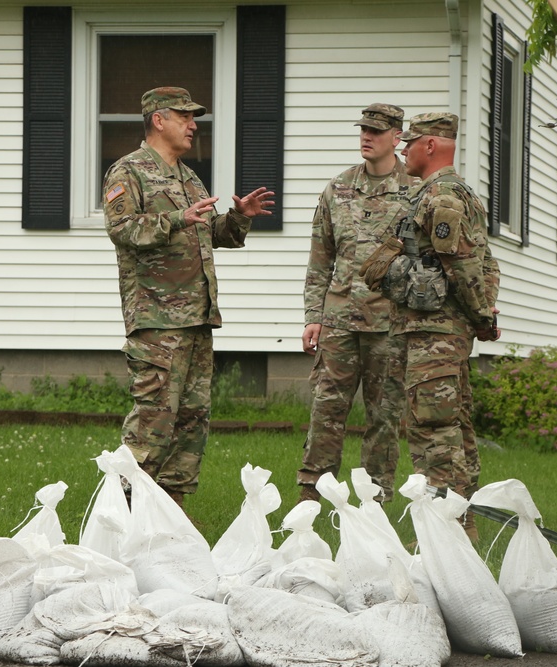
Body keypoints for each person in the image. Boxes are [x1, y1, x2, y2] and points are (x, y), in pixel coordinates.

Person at [103, 86, 275, 508]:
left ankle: (172, 519)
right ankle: (121, 517)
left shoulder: (188, 176)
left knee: (191, 424)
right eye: (185, 116)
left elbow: (207, 233)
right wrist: (179, 217)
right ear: (158, 120)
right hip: (158, 320)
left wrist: (238, 218)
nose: (194, 125)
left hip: (197, 319)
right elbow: (123, 230)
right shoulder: (129, 172)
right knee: (153, 422)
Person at [360, 112, 500, 540]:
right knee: (451, 427)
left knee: (434, 432)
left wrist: (483, 316)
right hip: (429, 334)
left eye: (411, 142)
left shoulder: (443, 197)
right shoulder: (431, 195)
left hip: (435, 334)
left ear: (432, 146)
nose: (403, 149)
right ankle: (462, 527)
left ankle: (448, 532)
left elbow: (463, 264)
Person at [296, 103, 418, 504]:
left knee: (383, 419)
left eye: (377, 131)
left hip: (391, 324)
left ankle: (375, 500)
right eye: (363, 129)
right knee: (326, 412)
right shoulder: (339, 188)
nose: (367, 137)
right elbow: (320, 257)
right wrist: (314, 316)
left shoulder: (416, 190)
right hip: (340, 323)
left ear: (397, 138)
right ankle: (313, 496)